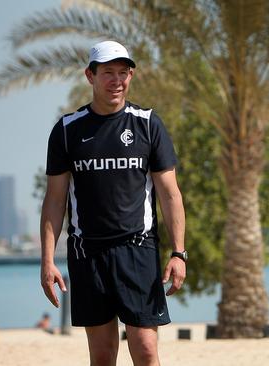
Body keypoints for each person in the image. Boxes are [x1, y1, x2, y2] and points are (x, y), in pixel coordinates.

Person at [40, 40, 187, 366]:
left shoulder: (147, 124)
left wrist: (179, 253)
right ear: (90, 76)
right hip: (87, 254)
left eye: (124, 73)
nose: (117, 80)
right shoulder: (67, 131)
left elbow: (170, 193)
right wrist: (47, 261)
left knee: (147, 349)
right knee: (103, 355)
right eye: (108, 73)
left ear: (131, 76)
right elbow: (54, 201)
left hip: (138, 251)